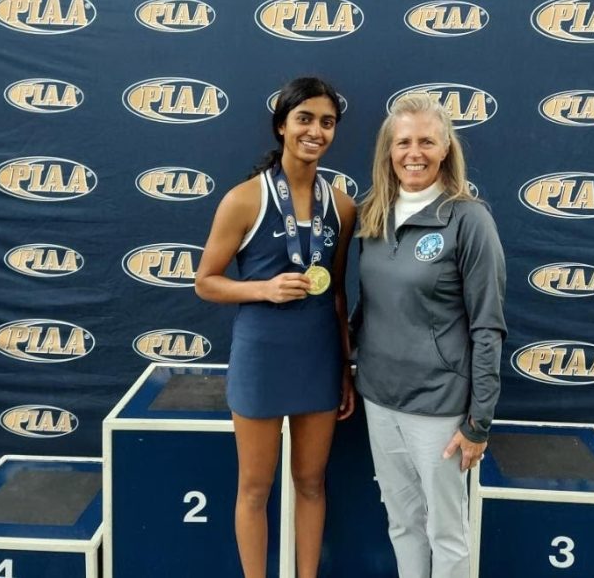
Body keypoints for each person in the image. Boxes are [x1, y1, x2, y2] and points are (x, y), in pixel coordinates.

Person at [195, 77, 356, 578]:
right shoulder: (244, 200)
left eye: (326, 122)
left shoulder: (343, 205)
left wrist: (346, 369)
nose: (315, 131)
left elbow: (336, 293)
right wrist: (261, 289)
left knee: (311, 483)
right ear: (282, 125)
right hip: (262, 358)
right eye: (304, 119)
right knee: (255, 488)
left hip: (318, 360)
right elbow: (206, 282)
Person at [351, 93, 506, 578]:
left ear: (444, 149)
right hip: (379, 399)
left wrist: (479, 419)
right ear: (388, 151)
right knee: (402, 523)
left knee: (446, 532)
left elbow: (488, 324)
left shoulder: (469, 220)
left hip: (440, 408)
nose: (413, 152)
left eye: (425, 141)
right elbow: (368, 308)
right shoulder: (372, 214)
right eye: (403, 142)